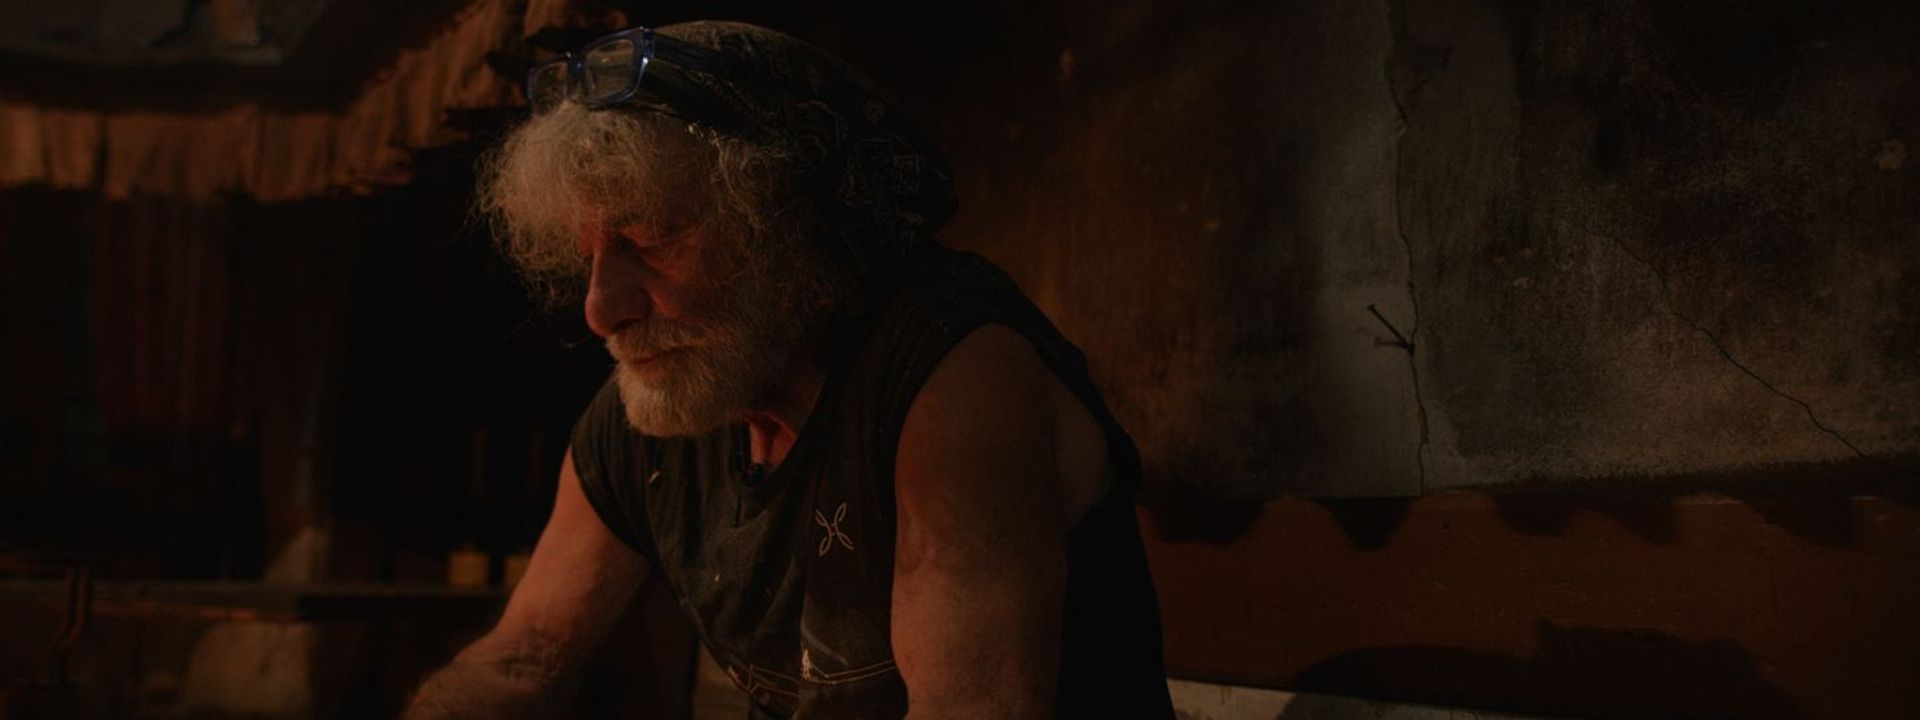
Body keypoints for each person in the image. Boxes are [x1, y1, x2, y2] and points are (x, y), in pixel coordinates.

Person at [405, 21, 1174, 719]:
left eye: (651, 239)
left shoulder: (950, 366)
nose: (601, 309)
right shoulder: (664, 396)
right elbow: (524, 660)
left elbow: (971, 708)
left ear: (782, 225)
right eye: (589, 254)